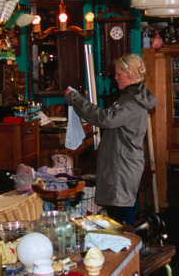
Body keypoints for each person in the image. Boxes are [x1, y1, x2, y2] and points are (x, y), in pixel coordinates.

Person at [64, 53, 156, 226]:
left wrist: (76, 99)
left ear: (130, 75)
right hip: (122, 165)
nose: (115, 77)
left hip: (123, 168)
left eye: (118, 74)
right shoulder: (132, 96)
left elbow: (105, 118)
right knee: (119, 217)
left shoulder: (132, 102)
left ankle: (131, 250)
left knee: (121, 222)